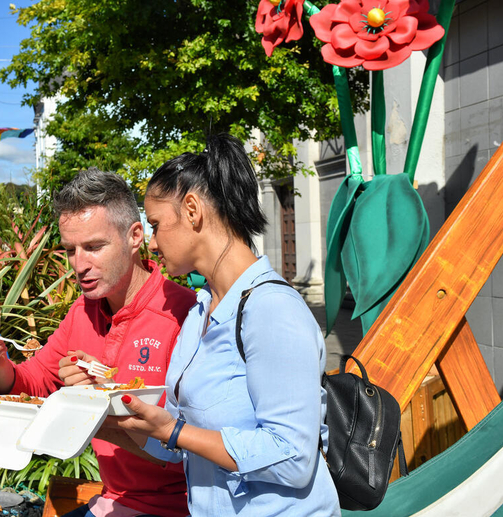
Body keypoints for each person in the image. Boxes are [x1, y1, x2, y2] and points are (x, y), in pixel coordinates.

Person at [110, 134, 341, 516]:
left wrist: (175, 432)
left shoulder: (272, 311)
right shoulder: (201, 311)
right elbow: (188, 440)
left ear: (191, 209)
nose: (151, 243)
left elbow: (294, 459)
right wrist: (109, 420)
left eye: (155, 224)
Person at [0, 167, 196, 517]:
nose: (79, 265)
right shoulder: (83, 311)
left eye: (93, 247)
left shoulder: (182, 314)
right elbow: (35, 382)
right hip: (114, 500)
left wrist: (98, 401)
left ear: (135, 236)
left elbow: (196, 444)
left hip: (180, 506)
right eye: (70, 250)